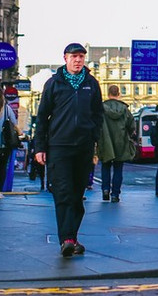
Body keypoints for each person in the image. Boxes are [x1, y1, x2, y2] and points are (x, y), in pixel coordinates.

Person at [34, 43, 104, 257]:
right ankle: (66, 239)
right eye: (74, 56)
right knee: (62, 194)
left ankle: (71, 237)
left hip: (83, 147)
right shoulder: (54, 83)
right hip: (59, 147)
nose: (78, 60)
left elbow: (98, 115)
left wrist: (94, 139)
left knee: (77, 195)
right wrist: (40, 147)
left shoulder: (91, 84)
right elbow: (42, 118)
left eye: (81, 56)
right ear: (65, 58)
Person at [98, 85, 136, 203]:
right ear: (118, 94)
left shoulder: (101, 108)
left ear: (108, 94)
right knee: (118, 169)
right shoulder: (124, 109)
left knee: (105, 167)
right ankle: (115, 194)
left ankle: (105, 189)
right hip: (121, 142)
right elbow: (132, 126)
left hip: (105, 141)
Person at [0, 86, 21, 198]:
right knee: (3, 166)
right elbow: (14, 123)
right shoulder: (6, 109)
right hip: (4, 143)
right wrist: (19, 134)